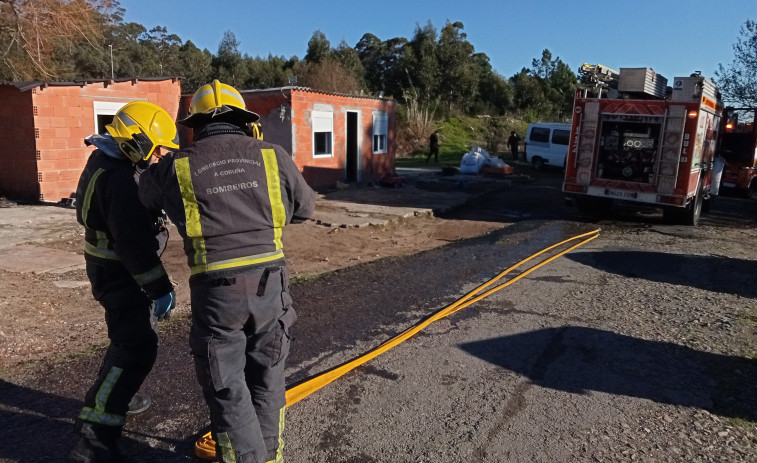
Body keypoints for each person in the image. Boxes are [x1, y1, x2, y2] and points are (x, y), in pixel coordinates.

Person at [139, 80, 316, 463]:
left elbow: (144, 197)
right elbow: (305, 209)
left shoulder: (176, 165)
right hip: (272, 287)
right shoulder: (273, 154)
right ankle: (270, 458)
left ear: (195, 125)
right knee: (268, 378)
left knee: (227, 387)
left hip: (217, 295)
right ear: (246, 122)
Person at [69, 101, 178, 462]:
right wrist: (159, 287)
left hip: (108, 268)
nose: (161, 155)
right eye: (158, 147)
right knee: (136, 347)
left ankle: (118, 395)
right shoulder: (120, 179)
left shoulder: (105, 159)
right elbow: (132, 244)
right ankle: (95, 434)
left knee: (125, 339)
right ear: (137, 140)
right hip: (121, 272)